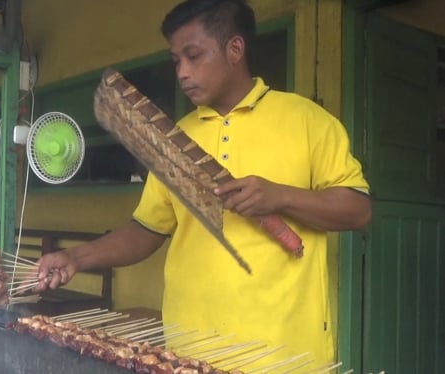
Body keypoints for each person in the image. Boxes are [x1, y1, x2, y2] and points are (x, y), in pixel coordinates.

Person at [35, 0, 371, 368]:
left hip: (285, 355)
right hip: (189, 353)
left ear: (235, 50)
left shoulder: (308, 121)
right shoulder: (174, 140)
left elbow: (357, 210)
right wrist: (75, 258)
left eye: (194, 56)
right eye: (177, 60)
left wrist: (278, 197)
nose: (183, 72)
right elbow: (147, 230)